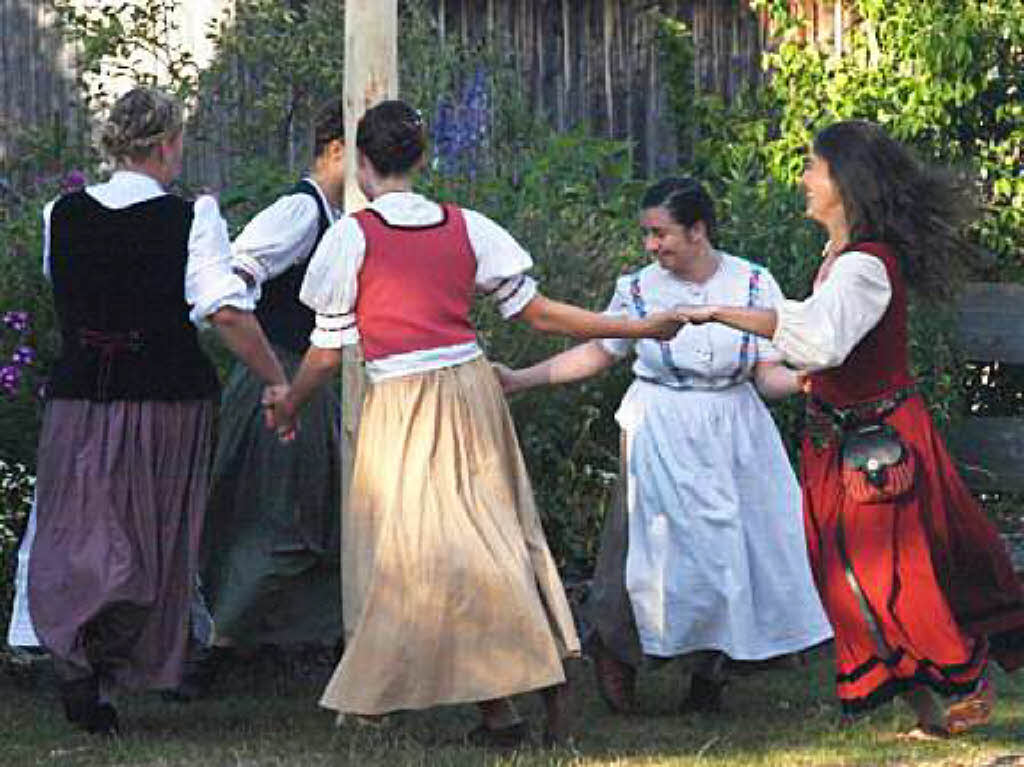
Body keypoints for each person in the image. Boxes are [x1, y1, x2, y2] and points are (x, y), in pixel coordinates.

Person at [263, 99, 686, 747]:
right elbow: (539, 313)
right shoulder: (467, 225)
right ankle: (506, 707)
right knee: (487, 540)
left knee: (422, 554)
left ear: (365, 164)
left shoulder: (351, 236)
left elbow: (325, 353)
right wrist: (630, 325)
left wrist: (288, 403)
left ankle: (523, 682)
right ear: (422, 158)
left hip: (403, 402)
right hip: (469, 391)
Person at [679, 120, 1024, 737]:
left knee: (897, 574)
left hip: (879, 446)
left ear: (845, 182)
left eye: (813, 166)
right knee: (848, 581)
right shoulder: (840, 260)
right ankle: (931, 712)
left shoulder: (866, 265)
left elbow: (822, 341)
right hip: (842, 442)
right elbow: (817, 350)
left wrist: (716, 311)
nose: (804, 179)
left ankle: (966, 686)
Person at [495, 177, 833, 714]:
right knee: (638, 549)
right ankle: (618, 653)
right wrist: (522, 379)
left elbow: (767, 374)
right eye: (647, 235)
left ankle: (712, 673)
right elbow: (598, 353)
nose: (652, 245)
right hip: (660, 423)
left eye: (661, 233)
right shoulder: (638, 289)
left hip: (733, 428)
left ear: (698, 231)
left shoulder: (752, 283)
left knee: (729, 553)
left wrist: (808, 381)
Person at [27, 87, 287, 735]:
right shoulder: (190, 216)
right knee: (146, 543)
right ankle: (98, 659)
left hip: (77, 401)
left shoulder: (61, 213)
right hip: (163, 401)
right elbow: (223, 309)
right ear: (168, 144)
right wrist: (277, 378)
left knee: (76, 532)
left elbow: (67, 291)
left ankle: (80, 658)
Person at [200, 101, 346, 658]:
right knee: (275, 515)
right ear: (336, 150)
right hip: (280, 374)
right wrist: (269, 365)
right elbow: (235, 279)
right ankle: (215, 641)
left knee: (314, 513)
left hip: (308, 378)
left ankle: (283, 638)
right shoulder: (300, 211)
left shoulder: (335, 216)